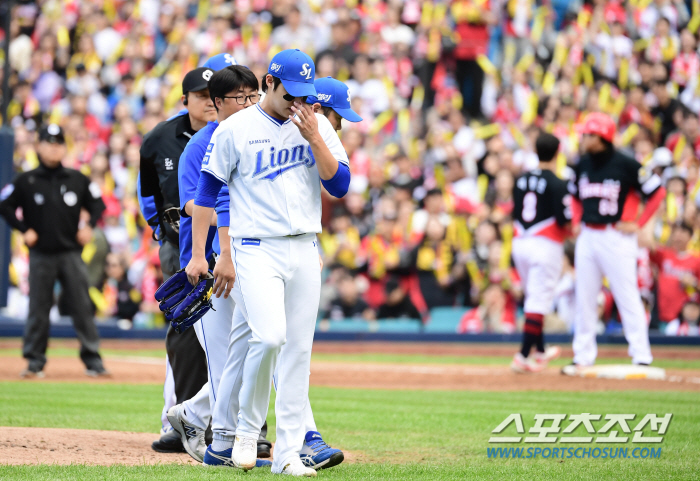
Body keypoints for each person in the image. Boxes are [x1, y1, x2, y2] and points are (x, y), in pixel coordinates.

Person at [187, 49, 350, 476]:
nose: (298, 101)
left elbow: (340, 185)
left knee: (298, 353)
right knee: (270, 336)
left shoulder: (314, 122)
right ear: (270, 85)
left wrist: (316, 136)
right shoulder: (235, 128)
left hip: (303, 246)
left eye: (305, 93)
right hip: (254, 246)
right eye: (290, 92)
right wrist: (201, 252)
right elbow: (207, 193)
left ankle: (288, 456)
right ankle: (245, 430)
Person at [166, 61, 273, 463]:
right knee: (228, 357)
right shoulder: (201, 144)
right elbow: (195, 204)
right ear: (217, 102)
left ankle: (197, 416)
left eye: (252, 95)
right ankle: (211, 429)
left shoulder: (257, 135)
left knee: (253, 348)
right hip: (211, 262)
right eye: (238, 97)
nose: (247, 103)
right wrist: (201, 255)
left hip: (248, 256)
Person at [139, 67, 216, 453]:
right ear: (185, 99)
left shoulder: (235, 132)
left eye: (212, 93)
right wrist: (161, 230)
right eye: (200, 94)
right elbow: (147, 192)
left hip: (232, 245)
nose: (207, 100)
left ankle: (230, 424)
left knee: (232, 335)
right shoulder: (159, 139)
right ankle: (180, 419)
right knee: (184, 330)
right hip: (180, 246)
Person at [0, 124, 107, 378]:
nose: (54, 147)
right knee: (38, 308)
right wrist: (22, 228)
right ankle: (34, 361)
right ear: (39, 146)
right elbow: (4, 204)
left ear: (64, 147)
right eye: (49, 142)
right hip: (41, 255)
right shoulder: (26, 180)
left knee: (82, 306)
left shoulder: (76, 178)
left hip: (71, 253)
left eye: (59, 143)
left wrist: (89, 226)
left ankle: (93, 361)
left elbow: (98, 204)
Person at [566, 113, 666, 371]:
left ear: (601, 137)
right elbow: (574, 195)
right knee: (585, 296)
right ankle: (583, 354)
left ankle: (641, 354)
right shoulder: (582, 164)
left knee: (627, 294)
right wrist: (577, 219)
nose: (583, 138)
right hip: (589, 234)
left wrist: (639, 223)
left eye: (587, 134)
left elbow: (657, 192)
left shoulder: (627, 164)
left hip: (617, 236)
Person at [510, 133, 570, 373]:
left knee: (533, 297)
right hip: (545, 244)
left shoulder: (521, 179)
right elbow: (564, 219)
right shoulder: (558, 182)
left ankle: (540, 350)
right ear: (557, 153)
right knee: (539, 299)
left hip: (520, 242)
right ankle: (523, 355)